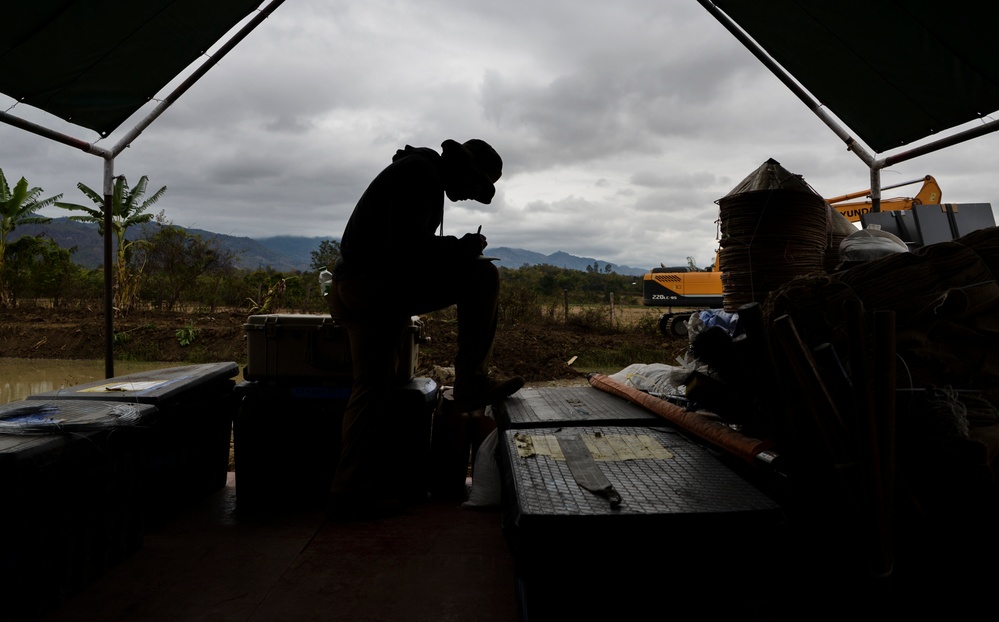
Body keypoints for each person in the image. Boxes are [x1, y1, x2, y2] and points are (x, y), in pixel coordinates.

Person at [326, 138, 524, 507]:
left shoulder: (418, 172)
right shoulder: (420, 175)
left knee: (372, 387)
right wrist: (459, 249)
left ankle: (348, 488)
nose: (467, 196)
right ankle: (472, 383)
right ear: (462, 168)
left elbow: (402, 248)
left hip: (354, 287)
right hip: (373, 288)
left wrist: (452, 249)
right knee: (482, 277)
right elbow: (404, 250)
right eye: (472, 186)